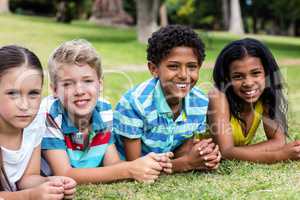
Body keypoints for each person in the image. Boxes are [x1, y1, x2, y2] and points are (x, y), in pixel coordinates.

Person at [25, 39, 173, 184]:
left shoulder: (104, 111)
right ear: (54, 90)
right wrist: (129, 169)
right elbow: (65, 173)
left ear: (100, 84)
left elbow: (112, 163)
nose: (79, 91)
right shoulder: (50, 115)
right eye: (68, 84)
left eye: (88, 81)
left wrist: (149, 163)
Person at [113, 25, 221, 172]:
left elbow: (182, 148)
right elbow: (137, 167)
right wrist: (187, 163)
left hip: (163, 159)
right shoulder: (134, 104)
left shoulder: (200, 102)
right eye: (173, 66)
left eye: (191, 67)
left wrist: (204, 155)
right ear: (154, 69)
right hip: (127, 164)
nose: (184, 75)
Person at [0, 45, 76, 199]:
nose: (25, 105)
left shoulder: (35, 121)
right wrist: (28, 196)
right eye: (13, 94)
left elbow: (27, 177)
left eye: (33, 93)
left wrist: (51, 182)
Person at [208, 38, 300, 163]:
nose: (248, 83)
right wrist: (279, 155)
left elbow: (278, 141)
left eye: (256, 73)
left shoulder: (265, 95)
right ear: (227, 78)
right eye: (238, 76)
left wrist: (238, 152)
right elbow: (225, 152)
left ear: (267, 73)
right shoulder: (218, 96)